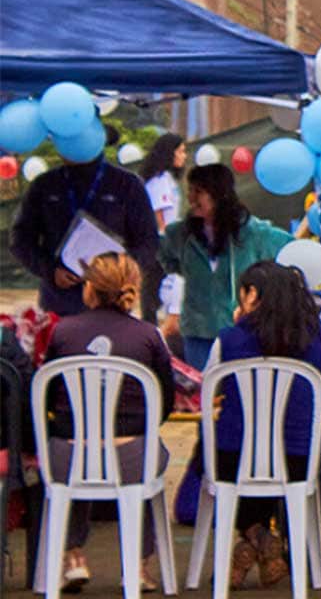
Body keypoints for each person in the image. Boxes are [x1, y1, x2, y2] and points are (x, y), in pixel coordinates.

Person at [206, 261, 321, 590]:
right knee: (269, 457)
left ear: (252, 294)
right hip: (299, 461)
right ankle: (262, 542)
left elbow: (209, 388)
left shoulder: (229, 340)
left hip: (235, 461)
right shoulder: (320, 337)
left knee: (208, 455)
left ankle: (257, 538)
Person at [42, 252, 175, 592]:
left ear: (89, 289)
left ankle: (73, 557)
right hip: (130, 457)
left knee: (79, 460)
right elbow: (164, 403)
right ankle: (139, 566)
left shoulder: (62, 332)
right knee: (148, 462)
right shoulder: (148, 335)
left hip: (67, 456)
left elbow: (47, 399)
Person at [10, 123, 158, 317]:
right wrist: (50, 270)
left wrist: (117, 274)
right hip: (59, 304)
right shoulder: (45, 185)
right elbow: (20, 240)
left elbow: (148, 243)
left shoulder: (126, 184)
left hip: (112, 306)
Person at [158, 164, 292, 368]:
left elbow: (289, 248)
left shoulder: (253, 231)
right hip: (198, 334)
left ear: (219, 194)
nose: (191, 198)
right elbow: (165, 257)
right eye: (190, 190)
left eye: (198, 192)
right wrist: (190, 272)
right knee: (203, 385)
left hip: (242, 331)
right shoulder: (179, 234)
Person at [137, 133, 188, 323]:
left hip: (167, 240)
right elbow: (158, 213)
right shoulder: (159, 180)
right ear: (169, 153)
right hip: (159, 241)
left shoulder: (168, 179)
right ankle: (151, 323)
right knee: (154, 285)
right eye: (180, 151)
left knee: (161, 284)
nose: (184, 156)